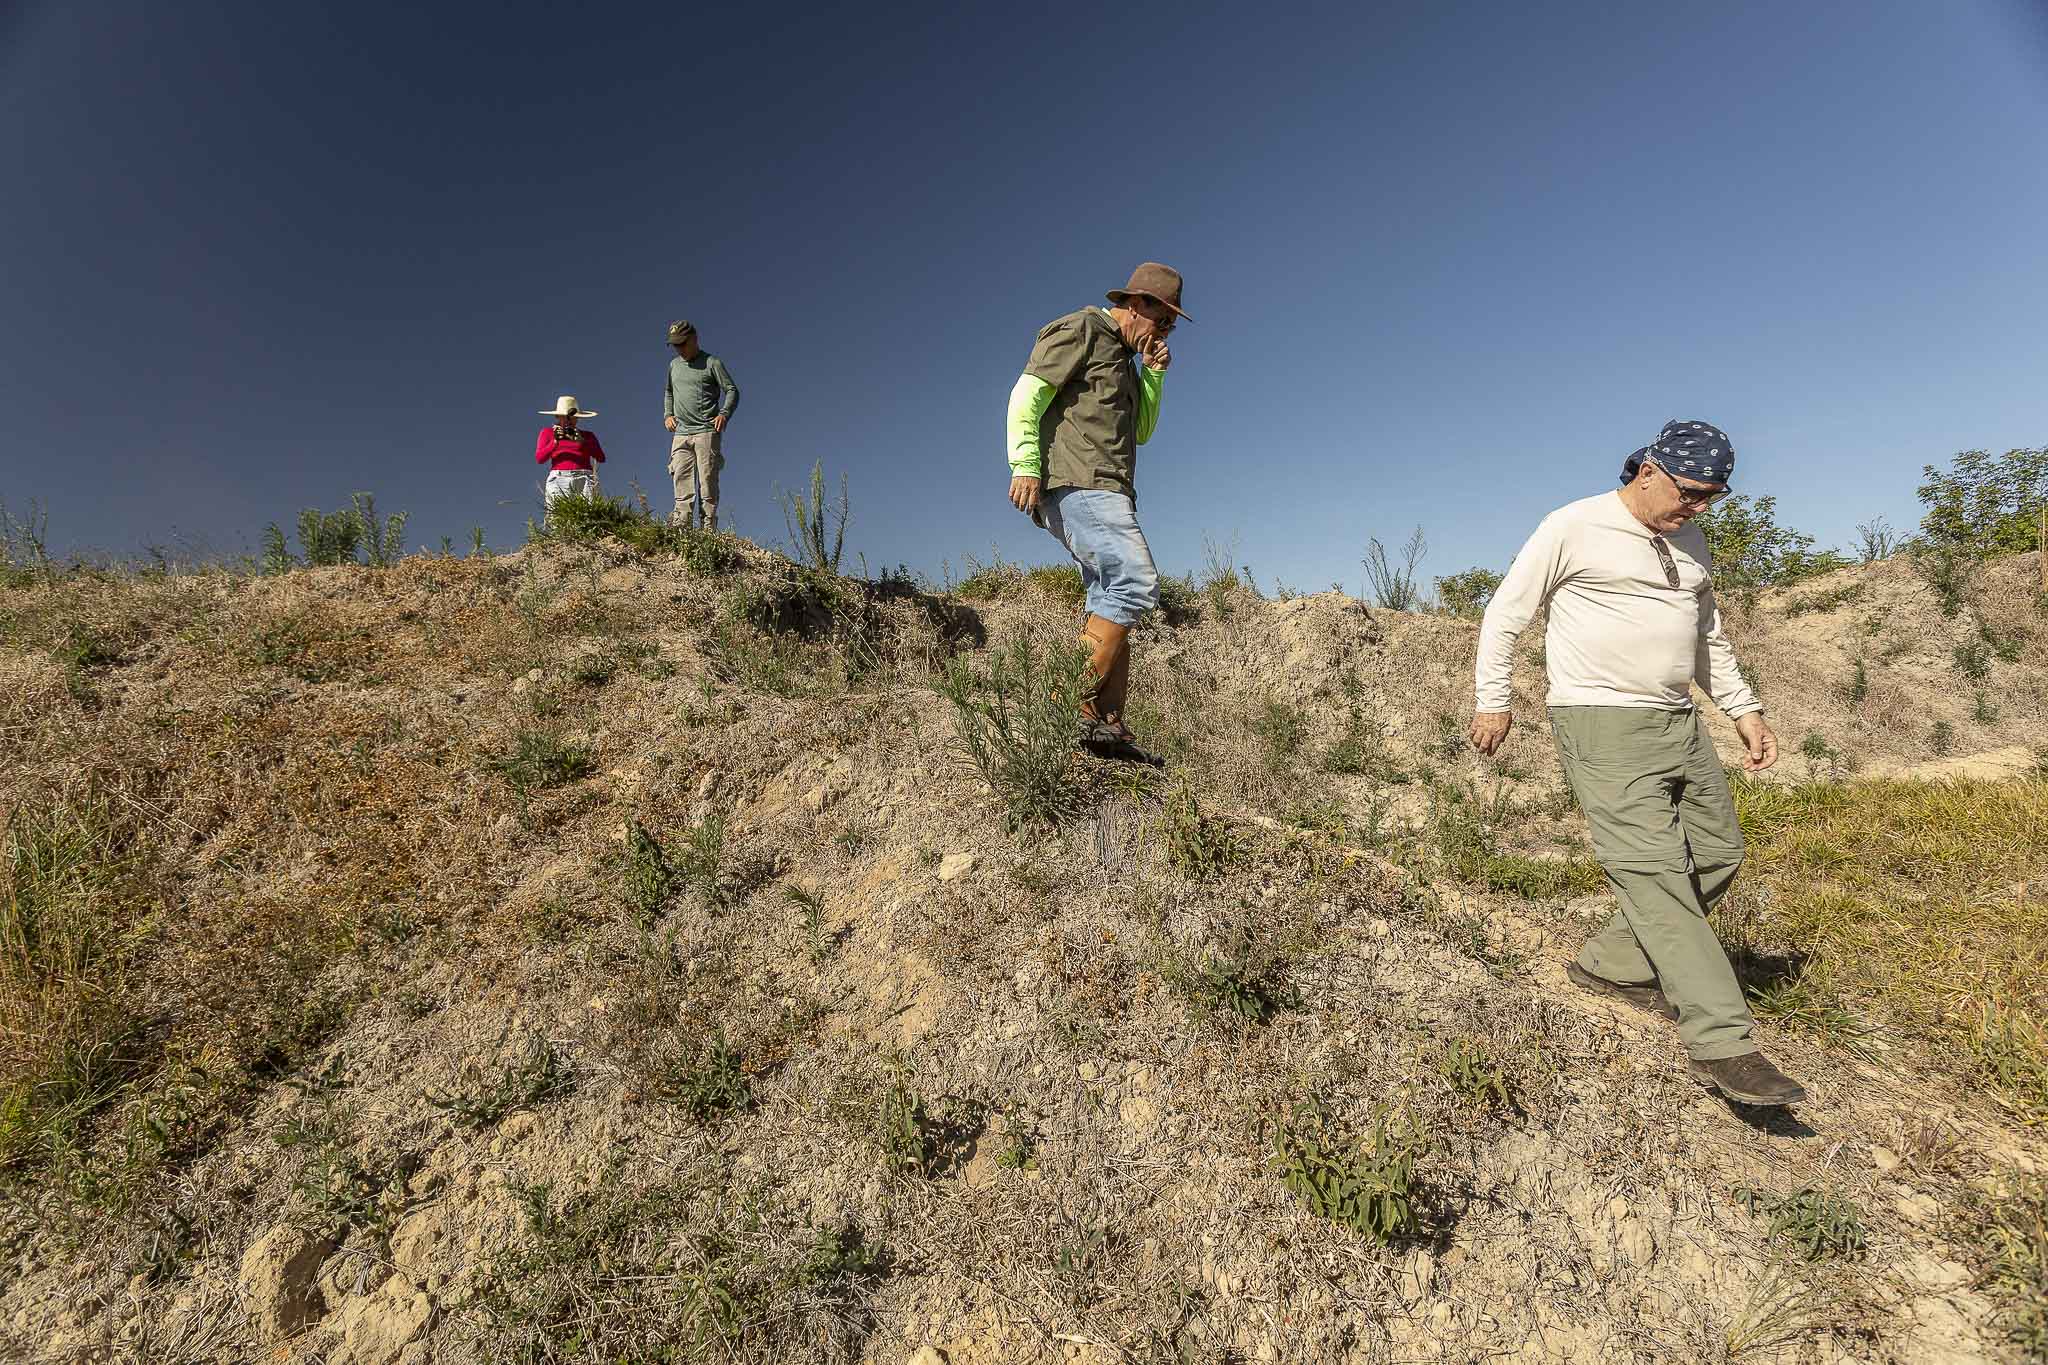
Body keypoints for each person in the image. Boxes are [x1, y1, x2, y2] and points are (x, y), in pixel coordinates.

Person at [1469, 420, 1804, 1107]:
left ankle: (1611, 964)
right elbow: (1506, 614)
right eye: (1691, 493)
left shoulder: (1691, 538)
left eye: (1714, 497)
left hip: (1678, 720)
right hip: (1602, 722)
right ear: (1648, 470)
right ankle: (1723, 1043)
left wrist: (1743, 709)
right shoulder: (1573, 525)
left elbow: (1708, 636)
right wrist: (1493, 700)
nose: (1700, 508)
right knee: (1654, 874)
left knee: (1718, 852)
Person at [1005, 263, 1188, 765]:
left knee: (1110, 593)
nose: (1165, 332)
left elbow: (1142, 430)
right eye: (1163, 321)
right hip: (1077, 484)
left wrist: (1153, 375)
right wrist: (1024, 465)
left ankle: (1106, 725)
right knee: (1133, 581)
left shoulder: (1128, 361)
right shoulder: (1082, 329)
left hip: (1110, 489)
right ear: (1136, 306)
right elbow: (1026, 395)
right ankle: (1063, 709)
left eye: (1171, 326)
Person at [662, 320, 740, 529]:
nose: (679, 349)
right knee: (680, 476)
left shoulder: (712, 363)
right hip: (681, 432)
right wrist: (668, 414)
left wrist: (724, 413)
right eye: (675, 345)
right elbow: (669, 392)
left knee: (707, 482)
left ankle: (708, 529)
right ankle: (682, 526)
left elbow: (732, 390)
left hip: (706, 431)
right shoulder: (674, 366)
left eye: (682, 344)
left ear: (694, 339)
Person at [534, 396, 605, 507]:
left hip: (585, 478)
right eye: (565, 417)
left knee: (588, 516)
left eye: (573, 417)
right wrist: (555, 442)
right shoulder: (547, 433)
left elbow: (601, 457)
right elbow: (539, 458)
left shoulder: (587, 435)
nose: (569, 421)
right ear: (558, 417)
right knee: (557, 519)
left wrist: (582, 442)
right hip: (559, 478)